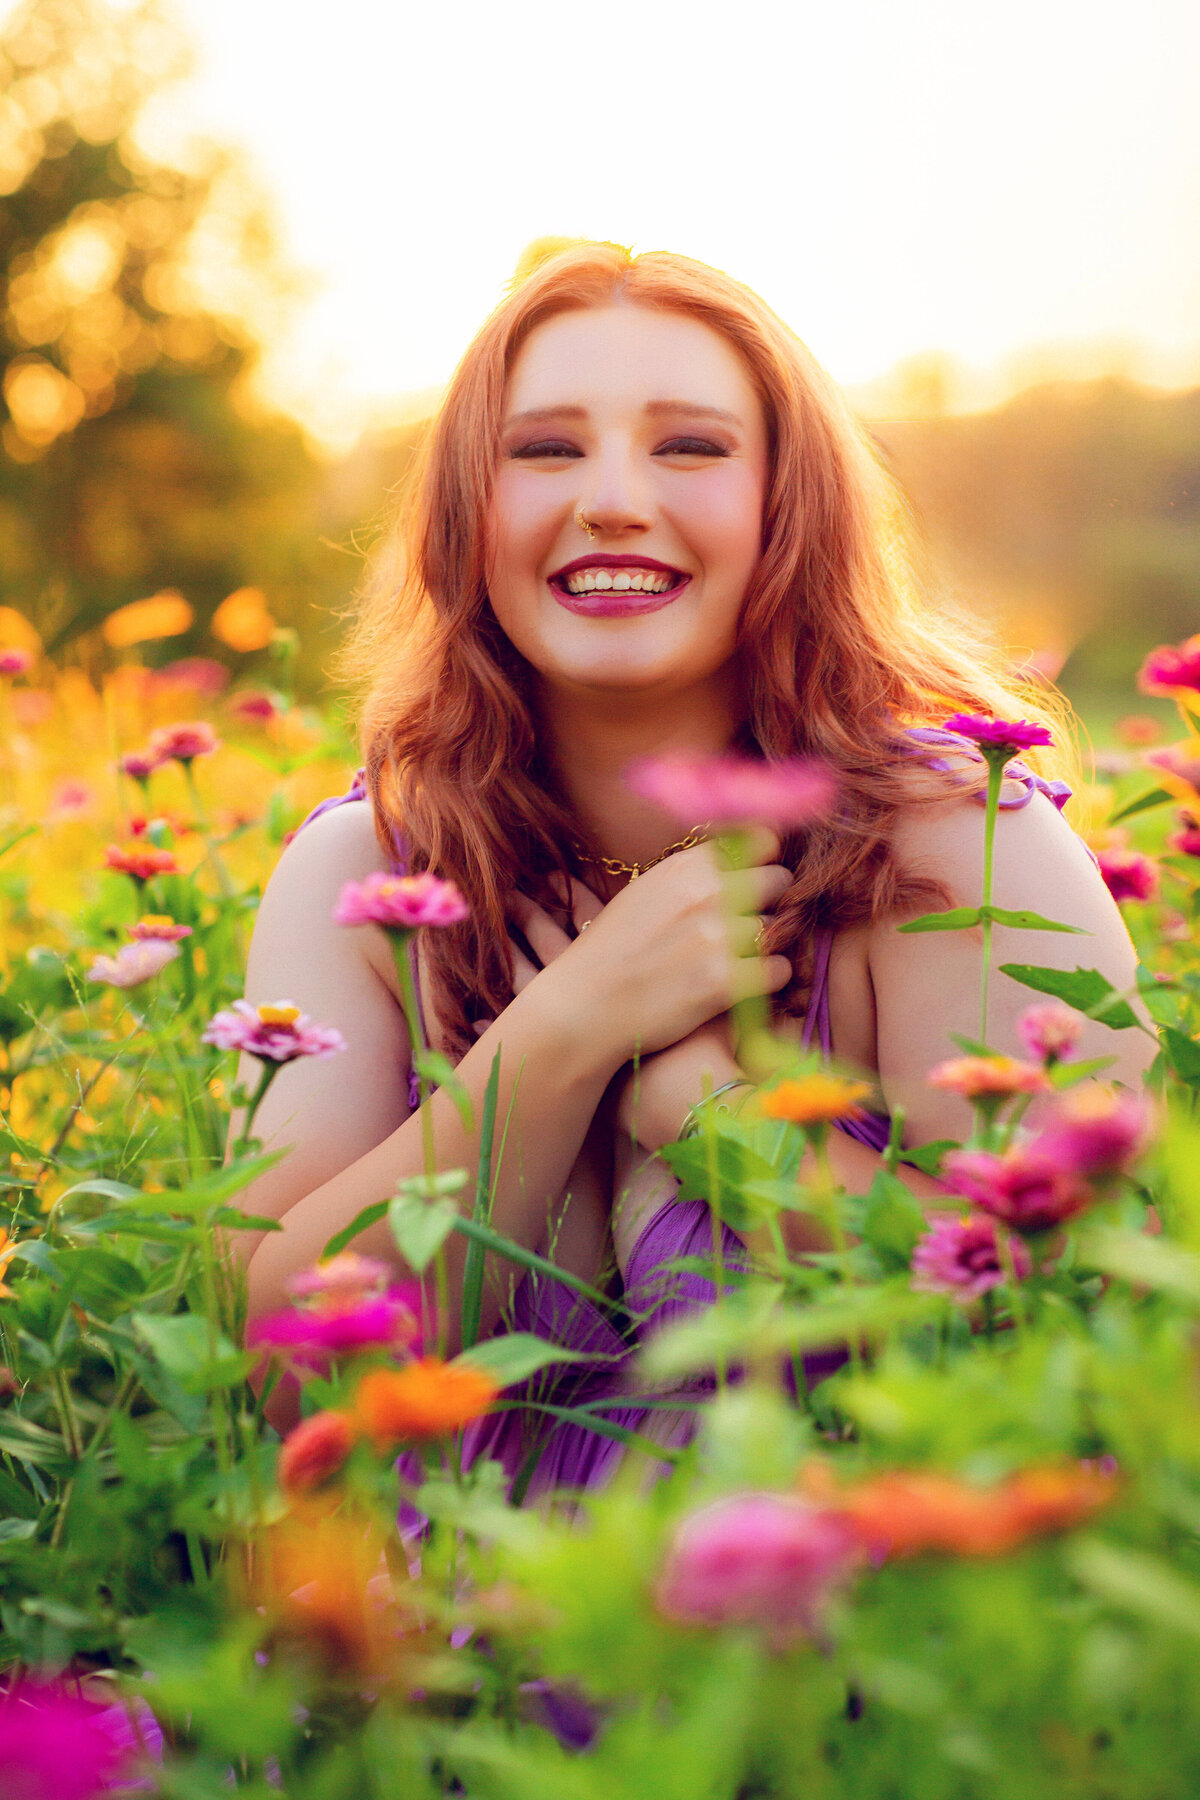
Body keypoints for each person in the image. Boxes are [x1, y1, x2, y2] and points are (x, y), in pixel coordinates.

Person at [231, 242, 1150, 1481]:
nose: (612, 499)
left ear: (787, 504)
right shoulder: (365, 876)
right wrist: (558, 1040)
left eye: (690, 446)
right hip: (437, 1612)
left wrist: (701, 1110)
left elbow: (1078, 1330)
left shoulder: (955, 846)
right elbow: (285, 1380)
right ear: (465, 515)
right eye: (543, 449)